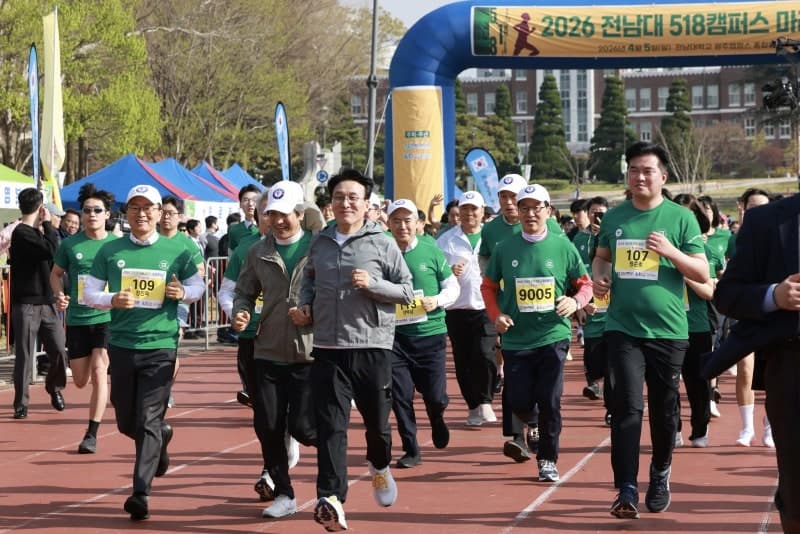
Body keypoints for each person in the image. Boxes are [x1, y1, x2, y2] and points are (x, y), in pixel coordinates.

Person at [592, 142, 709, 519]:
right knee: (626, 407)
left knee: (664, 411)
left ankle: (660, 472)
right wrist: (600, 278)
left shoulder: (681, 218)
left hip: (669, 331)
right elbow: (601, 257)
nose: (639, 177)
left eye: (647, 171)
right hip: (622, 328)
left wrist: (670, 251)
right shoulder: (614, 218)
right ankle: (625, 488)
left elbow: (703, 274)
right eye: (633, 171)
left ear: (662, 177)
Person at [297, 169, 413, 532]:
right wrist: (304, 308)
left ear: (366, 204)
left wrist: (375, 284)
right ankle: (331, 498)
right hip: (329, 348)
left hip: (372, 346)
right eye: (338, 197)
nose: (345, 203)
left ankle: (379, 467)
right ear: (329, 203)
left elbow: (406, 290)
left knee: (378, 426)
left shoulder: (382, 242)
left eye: (353, 197)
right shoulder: (319, 242)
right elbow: (307, 284)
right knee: (332, 426)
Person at [84, 184, 205, 521]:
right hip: (122, 344)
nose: (141, 213)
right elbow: (88, 293)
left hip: (161, 345)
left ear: (158, 212)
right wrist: (112, 299)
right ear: (127, 212)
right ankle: (160, 442)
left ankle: (140, 491)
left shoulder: (178, 249)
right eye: (135, 207)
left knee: (150, 417)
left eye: (147, 208)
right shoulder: (110, 251)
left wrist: (183, 291)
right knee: (127, 421)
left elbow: (199, 286)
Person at [481, 184, 592, 483]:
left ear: (548, 210)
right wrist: (497, 316)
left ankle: (547, 459)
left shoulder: (563, 246)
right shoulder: (505, 248)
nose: (530, 213)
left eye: (536, 207)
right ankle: (532, 423)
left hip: (552, 335)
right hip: (516, 338)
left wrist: (575, 301)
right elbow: (488, 287)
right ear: (517, 211)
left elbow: (585, 284)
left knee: (551, 400)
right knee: (518, 400)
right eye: (524, 207)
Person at [714, 192, 800, 532]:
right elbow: (728, 294)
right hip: (792, 369)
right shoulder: (767, 221)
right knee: (796, 488)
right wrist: (774, 296)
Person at [231, 181, 317, 519]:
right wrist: (240, 311)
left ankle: (333, 457)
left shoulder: (318, 248)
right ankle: (284, 493)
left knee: (303, 427)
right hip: (266, 350)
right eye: (271, 215)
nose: (277, 221)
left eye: (284, 215)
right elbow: (244, 291)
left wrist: (313, 313)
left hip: (309, 353)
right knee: (267, 424)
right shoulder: (257, 251)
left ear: (300, 213)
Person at [386, 198, 459, 468]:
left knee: (435, 396)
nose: (402, 226)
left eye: (407, 221)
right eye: (396, 221)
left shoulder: (431, 251)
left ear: (417, 224)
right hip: (394, 338)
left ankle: (437, 417)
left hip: (430, 334)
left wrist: (437, 301)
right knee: (400, 395)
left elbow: (453, 289)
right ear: (388, 224)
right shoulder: (382, 252)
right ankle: (411, 448)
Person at [50, 184, 117, 453]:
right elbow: (55, 274)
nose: (91, 215)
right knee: (80, 380)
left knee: (101, 370)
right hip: (78, 319)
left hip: (107, 317)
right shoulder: (69, 244)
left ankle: (91, 433)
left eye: (97, 210)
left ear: (107, 214)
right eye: (87, 210)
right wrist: (59, 295)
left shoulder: (116, 245)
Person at [476, 173, 537, 462]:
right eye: (504, 197)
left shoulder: (547, 226)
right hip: (507, 312)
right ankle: (516, 437)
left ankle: (535, 421)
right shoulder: (491, 231)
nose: (510, 203)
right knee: (513, 373)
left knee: (540, 376)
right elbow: (485, 263)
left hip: (542, 316)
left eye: (514, 197)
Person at [437, 191, 498, 427]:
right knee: (463, 361)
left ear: (482, 212)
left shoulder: (491, 237)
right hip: (457, 308)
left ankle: (485, 400)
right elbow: (437, 273)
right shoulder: (445, 240)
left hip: (485, 305)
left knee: (485, 354)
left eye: (474, 209)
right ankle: (473, 406)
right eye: (465, 209)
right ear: (458, 212)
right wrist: (449, 272)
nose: (469, 214)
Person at [10, 188, 68, 419]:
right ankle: (21, 402)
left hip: (47, 302)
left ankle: (54, 388)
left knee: (58, 350)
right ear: (40, 206)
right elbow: (51, 250)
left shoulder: (40, 232)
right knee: (24, 355)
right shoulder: (22, 232)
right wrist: (49, 225)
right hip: (26, 303)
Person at [728, 188, 773, 447]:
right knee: (745, 369)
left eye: (763, 207)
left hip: (774, 312)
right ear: (743, 209)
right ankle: (747, 428)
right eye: (753, 207)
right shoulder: (736, 238)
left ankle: (770, 426)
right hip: (745, 311)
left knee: (772, 373)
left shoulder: (782, 236)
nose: (758, 212)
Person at [219, 192, 270, 408]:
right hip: (251, 332)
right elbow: (226, 291)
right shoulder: (244, 248)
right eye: (266, 212)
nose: (272, 217)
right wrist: (235, 313)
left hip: (288, 334)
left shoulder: (305, 245)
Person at [573, 197, 609, 416]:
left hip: (615, 305)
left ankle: (611, 404)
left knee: (615, 354)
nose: (597, 217)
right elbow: (574, 274)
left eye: (602, 213)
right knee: (592, 349)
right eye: (594, 212)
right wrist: (580, 304)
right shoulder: (578, 239)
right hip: (590, 301)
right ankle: (594, 383)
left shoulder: (615, 236)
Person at [228, 184, 261, 252]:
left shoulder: (268, 227)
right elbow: (231, 255)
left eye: (254, 200)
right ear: (240, 204)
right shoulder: (234, 230)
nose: (250, 204)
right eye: (246, 200)